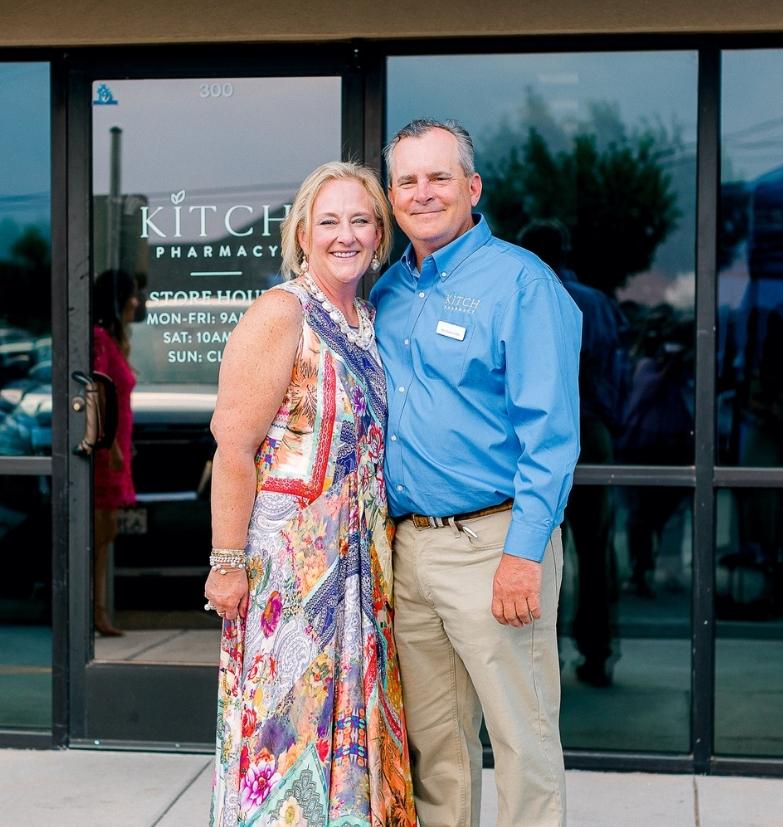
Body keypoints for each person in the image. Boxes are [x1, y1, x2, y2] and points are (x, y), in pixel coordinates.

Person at [370, 120, 581, 827]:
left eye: (438, 177)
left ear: (471, 186)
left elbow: (550, 435)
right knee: (436, 744)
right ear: (392, 195)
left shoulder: (521, 282)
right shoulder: (389, 291)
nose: (422, 193)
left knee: (522, 736)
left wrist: (522, 554)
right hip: (411, 548)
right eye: (407, 180)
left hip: (496, 543)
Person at [205, 161, 416, 826]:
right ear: (301, 234)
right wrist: (226, 561)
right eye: (328, 221)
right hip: (290, 576)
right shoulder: (281, 311)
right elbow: (233, 446)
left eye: (359, 220)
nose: (344, 235)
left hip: (362, 569)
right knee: (286, 731)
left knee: (350, 730)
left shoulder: (369, 319)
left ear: (379, 233)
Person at [518, 219, 626, 687]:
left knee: (537, 548)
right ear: (564, 250)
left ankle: (549, 656)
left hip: (542, 435)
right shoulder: (598, 302)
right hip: (595, 430)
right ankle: (598, 653)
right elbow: (617, 368)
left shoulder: (525, 297)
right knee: (595, 548)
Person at [92, 269, 139, 637]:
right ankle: (95, 612)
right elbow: (99, 395)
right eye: (131, 295)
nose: (137, 302)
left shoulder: (115, 339)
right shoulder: (98, 340)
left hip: (119, 447)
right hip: (108, 451)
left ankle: (98, 611)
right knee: (100, 533)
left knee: (106, 535)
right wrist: (114, 446)